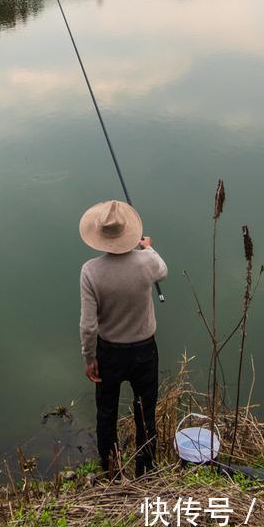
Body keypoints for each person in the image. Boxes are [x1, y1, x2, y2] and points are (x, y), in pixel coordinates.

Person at [79, 199, 168, 476]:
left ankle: (111, 470)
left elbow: (88, 325)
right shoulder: (147, 262)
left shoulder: (91, 271)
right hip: (144, 351)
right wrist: (148, 246)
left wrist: (89, 357)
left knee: (107, 414)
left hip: (109, 353)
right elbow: (163, 270)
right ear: (128, 233)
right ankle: (145, 469)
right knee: (145, 413)